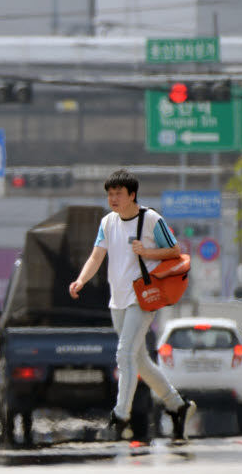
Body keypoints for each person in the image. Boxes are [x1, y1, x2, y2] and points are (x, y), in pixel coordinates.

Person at [69, 169, 196, 441]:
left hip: (143, 297)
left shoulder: (151, 220)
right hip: (118, 299)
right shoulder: (107, 222)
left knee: (124, 354)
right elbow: (96, 257)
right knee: (139, 361)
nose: (113, 199)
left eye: (118, 194)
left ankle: (120, 415)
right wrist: (80, 280)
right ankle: (177, 405)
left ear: (132, 195)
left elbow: (175, 250)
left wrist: (147, 252)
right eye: (110, 194)